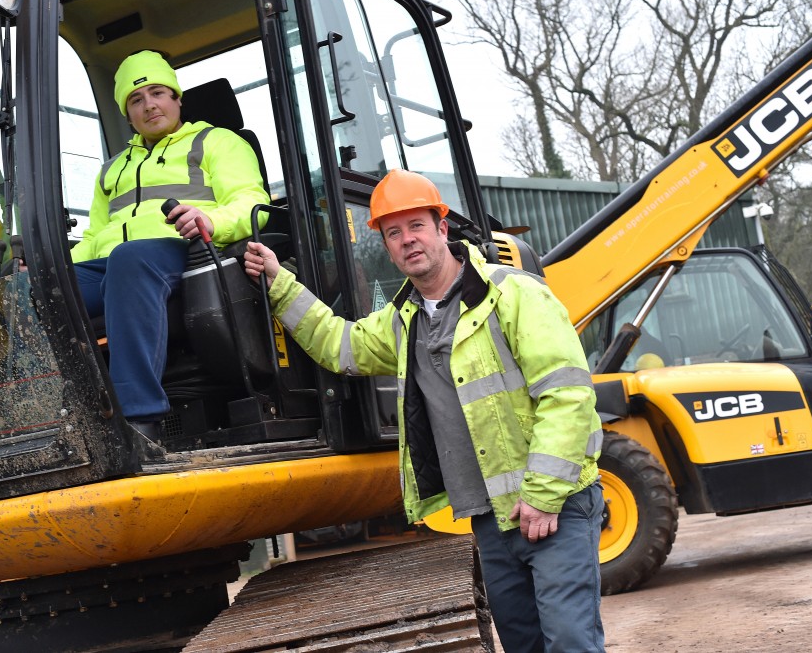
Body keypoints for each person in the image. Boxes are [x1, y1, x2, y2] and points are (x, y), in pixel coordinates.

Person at [242, 169, 605, 653]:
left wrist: (541, 494)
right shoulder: (404, 320)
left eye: (416, 226)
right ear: (387, 246)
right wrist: (278, 282)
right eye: (393, 233)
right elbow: (341, 346)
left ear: (442, 228)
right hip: (492, 518)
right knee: (524, 646)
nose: (407, 240)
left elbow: (568, 395)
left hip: (555, 504)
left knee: (571, 643)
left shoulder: (514, 294)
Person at [72, 50, 269, 439]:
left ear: (177, 98)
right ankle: (48, 415)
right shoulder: (111, 169)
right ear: (127, 115)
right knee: (35, 289)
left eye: (158, 93)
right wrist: (51, 267)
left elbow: (253, 205)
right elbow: (95, 236)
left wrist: (209, 220)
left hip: (191, 253)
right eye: (136, 100)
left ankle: (139, 420)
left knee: (130, 261)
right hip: (117, 264)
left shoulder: (216, 142)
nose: (149, 105)